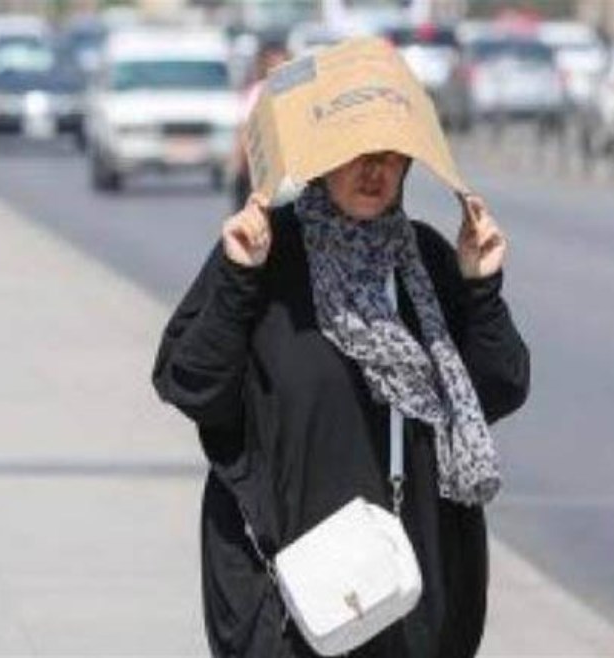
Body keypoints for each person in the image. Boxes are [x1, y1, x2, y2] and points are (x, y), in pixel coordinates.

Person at [153, 150, 530, 656]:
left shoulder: (425, 262)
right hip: (284, 599)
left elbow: (498, 389)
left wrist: (481, 287)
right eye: (356, 156)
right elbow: (194, 385)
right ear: (322, 157)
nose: (374, 172)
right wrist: (239, 280)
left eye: (391, 158)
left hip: (406, 592)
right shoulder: (267, 253)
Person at [229, 40, 289, 212]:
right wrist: (239, 164)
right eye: (273, 65)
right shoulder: (258, 92)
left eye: (282, 64)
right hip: (264, 167)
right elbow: (244, 129)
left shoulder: (297, 91)